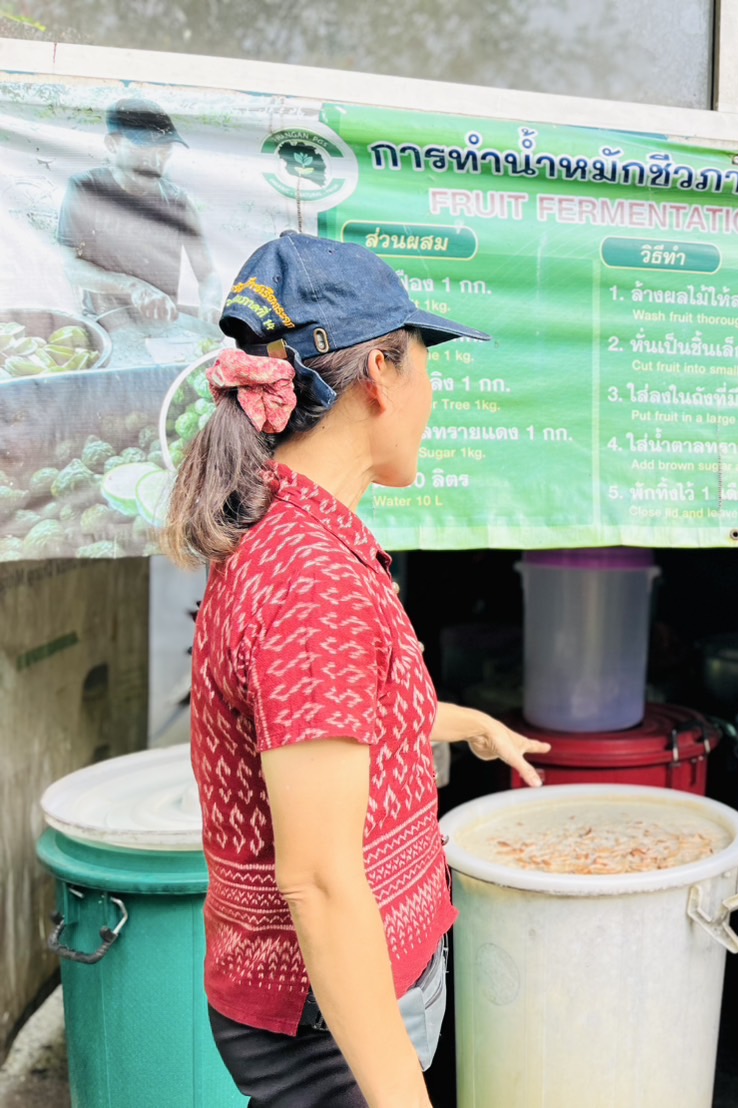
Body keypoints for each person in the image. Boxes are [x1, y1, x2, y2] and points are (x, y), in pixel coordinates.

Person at [163, 231, 548, 1107]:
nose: (430, 397)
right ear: (381, 374)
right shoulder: (313, 579)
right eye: (424, 365)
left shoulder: (287, 533)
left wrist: (465, 723)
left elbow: (321, 715)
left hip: (342, 1001)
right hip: (331, 1017)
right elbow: (322, 879)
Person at [57, 97, 223, 325]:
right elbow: (69, 266)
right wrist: (132, 286)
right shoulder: (87, 188)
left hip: (163, 325)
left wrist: (211, 304)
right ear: (112, 144)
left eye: (164, 151)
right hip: (103, 324)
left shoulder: (178, 201)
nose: (154, 162)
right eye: (142, 148)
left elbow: (207, 275)